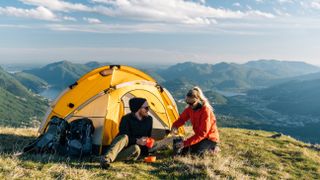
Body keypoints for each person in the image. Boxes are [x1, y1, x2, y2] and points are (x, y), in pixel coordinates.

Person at [100, 97, 153, 169]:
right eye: (146, 108)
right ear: (138, 108)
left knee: (136, 148)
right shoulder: (126, 119)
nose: (148, 110)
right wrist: (137, 140)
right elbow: (124, 138)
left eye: (148, 107)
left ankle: (103, 159)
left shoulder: (149, 120)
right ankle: (106, 159)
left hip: (133, 150)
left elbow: (148, 136)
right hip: (121, 147)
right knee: (124, 137)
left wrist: (148, 142)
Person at [171, 86, 219, 156]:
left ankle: (213, 148)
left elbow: (203, 133)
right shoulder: (190, 108)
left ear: (198, 100)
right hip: (199, 137)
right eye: (187, 102)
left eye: (191, 103)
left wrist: (185, 143)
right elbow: (182, 119)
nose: (189, 105)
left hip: (210, 138)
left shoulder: (205, 111)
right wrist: (175, 126)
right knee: (183, 151)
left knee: (195, 154)